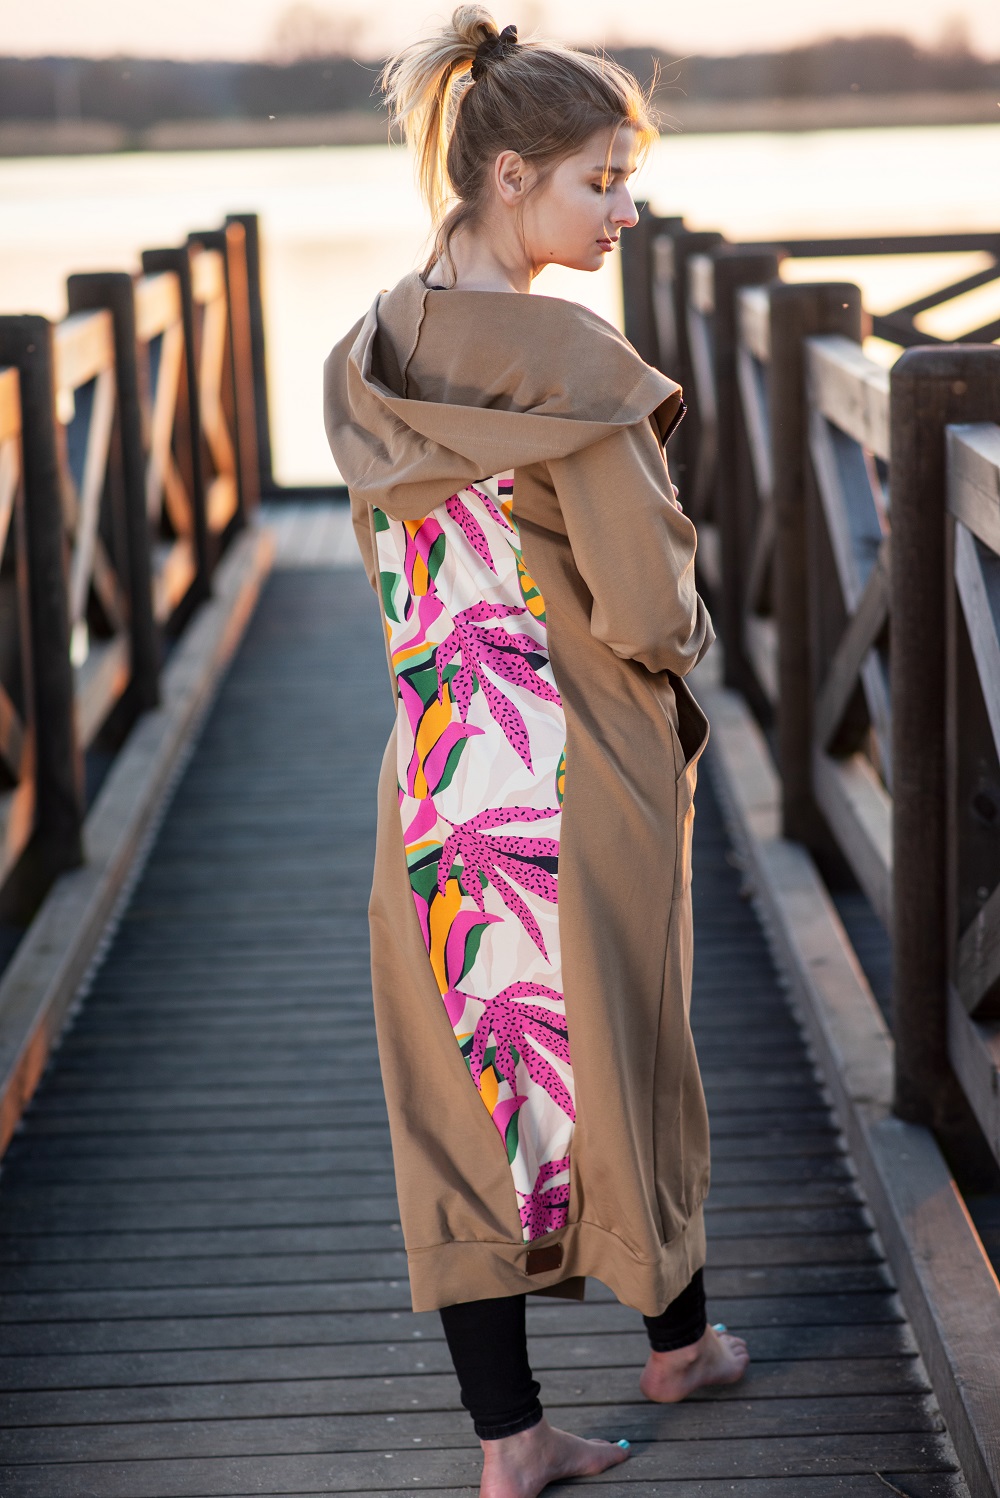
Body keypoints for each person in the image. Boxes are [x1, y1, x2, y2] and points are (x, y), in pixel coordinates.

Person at [324, 8, 749, 1494]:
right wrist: (685, 636)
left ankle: (510, 1440)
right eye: (601, 180)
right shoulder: (576, 365)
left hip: (441, 770)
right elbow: (646, 604)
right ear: (511, 176)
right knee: (633, 1048)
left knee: (464, 1091)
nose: (625, 210)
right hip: (578, 767)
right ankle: (678, 1345)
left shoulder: (372, 349)